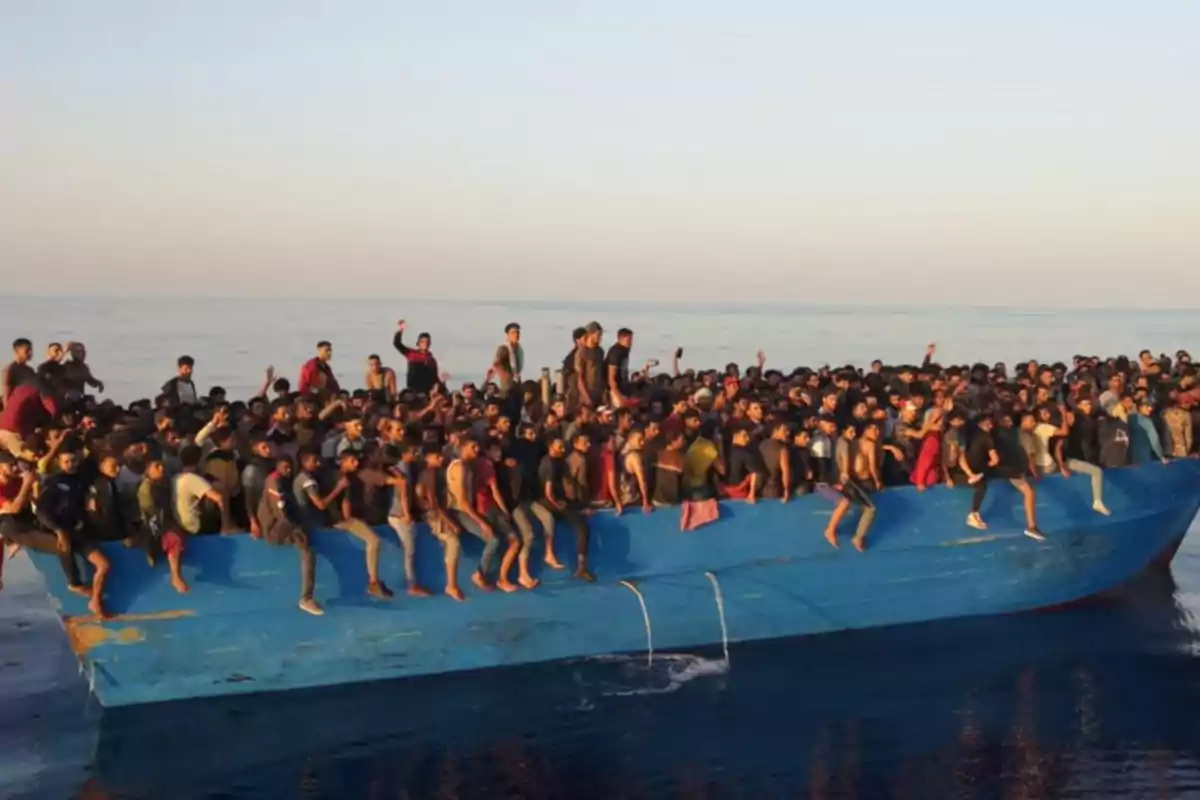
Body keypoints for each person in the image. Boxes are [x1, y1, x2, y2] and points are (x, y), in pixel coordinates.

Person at [36, 449, 112, 617]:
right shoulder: (53, 482)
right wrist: (58, 530)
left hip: (78, 531)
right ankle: (74, 583)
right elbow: (41, 511)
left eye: (73, 461)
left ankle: (95, 601)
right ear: (59, 462)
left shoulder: (81, 479)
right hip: (60, 530)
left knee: (104, 565)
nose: (71, 465)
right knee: (64, 546)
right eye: (66, 462)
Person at [257, 455, 323, 615]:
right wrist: (297, 529)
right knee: (307, 551)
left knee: (308, 548)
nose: (289, 470)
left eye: (290, 467)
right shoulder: (274, 483)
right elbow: (281, 514)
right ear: (277, 467)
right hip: (276, 527)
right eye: (285, 467)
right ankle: (306, 598)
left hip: (284, 524)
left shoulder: (283, 481)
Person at [537, 436, 594, 581]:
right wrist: (562, 506)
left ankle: (581, 566)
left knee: (578, 516)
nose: (563, 449)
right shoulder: (548, 464)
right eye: (559, 447)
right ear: (551, 447)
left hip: (560, 498)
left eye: (563, 446)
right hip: (546, 500)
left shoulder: (560, 462)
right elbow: (548, 493)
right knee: (580, 524)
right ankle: (581, 567)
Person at [384, 440, 433, 598]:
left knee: (409, 550)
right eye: (412, 452)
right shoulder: (403, 470)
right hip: (398, 515)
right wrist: (406, 514)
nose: (416, 454)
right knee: (409, 550)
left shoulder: (403, 468)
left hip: (397, 513)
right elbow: (402, 495)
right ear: (404, 454)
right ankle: (412, 585)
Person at [136, 455, 189, 593]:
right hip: (155, 524)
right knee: (174, 539)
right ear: (147, 471)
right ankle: (176, 576)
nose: (161, 469)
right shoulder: (146, 488)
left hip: (165, 520)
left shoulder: (164, 484)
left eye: (162, 466)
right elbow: (150, 511)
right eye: (156, 467)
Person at [1063, 397, 1111, 515]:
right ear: (1078, 405)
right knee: (1096, 472)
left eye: (1090, 404)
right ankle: (1097, 501)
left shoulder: (1088, 419)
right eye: (1086, 404)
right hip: (1072, 458)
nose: (1089, 406)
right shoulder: (1078, 418)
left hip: (1080, 456)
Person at [392, 320, 439, 395]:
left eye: (427, 342)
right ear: (418, 343)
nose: (425, 344)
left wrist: (438, 385)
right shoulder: (411, 354)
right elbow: (397, 344)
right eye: (423, 342)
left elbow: (435, 379)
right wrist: (400, 330)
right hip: (412, 390)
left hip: (426, 392)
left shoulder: (431, 360)